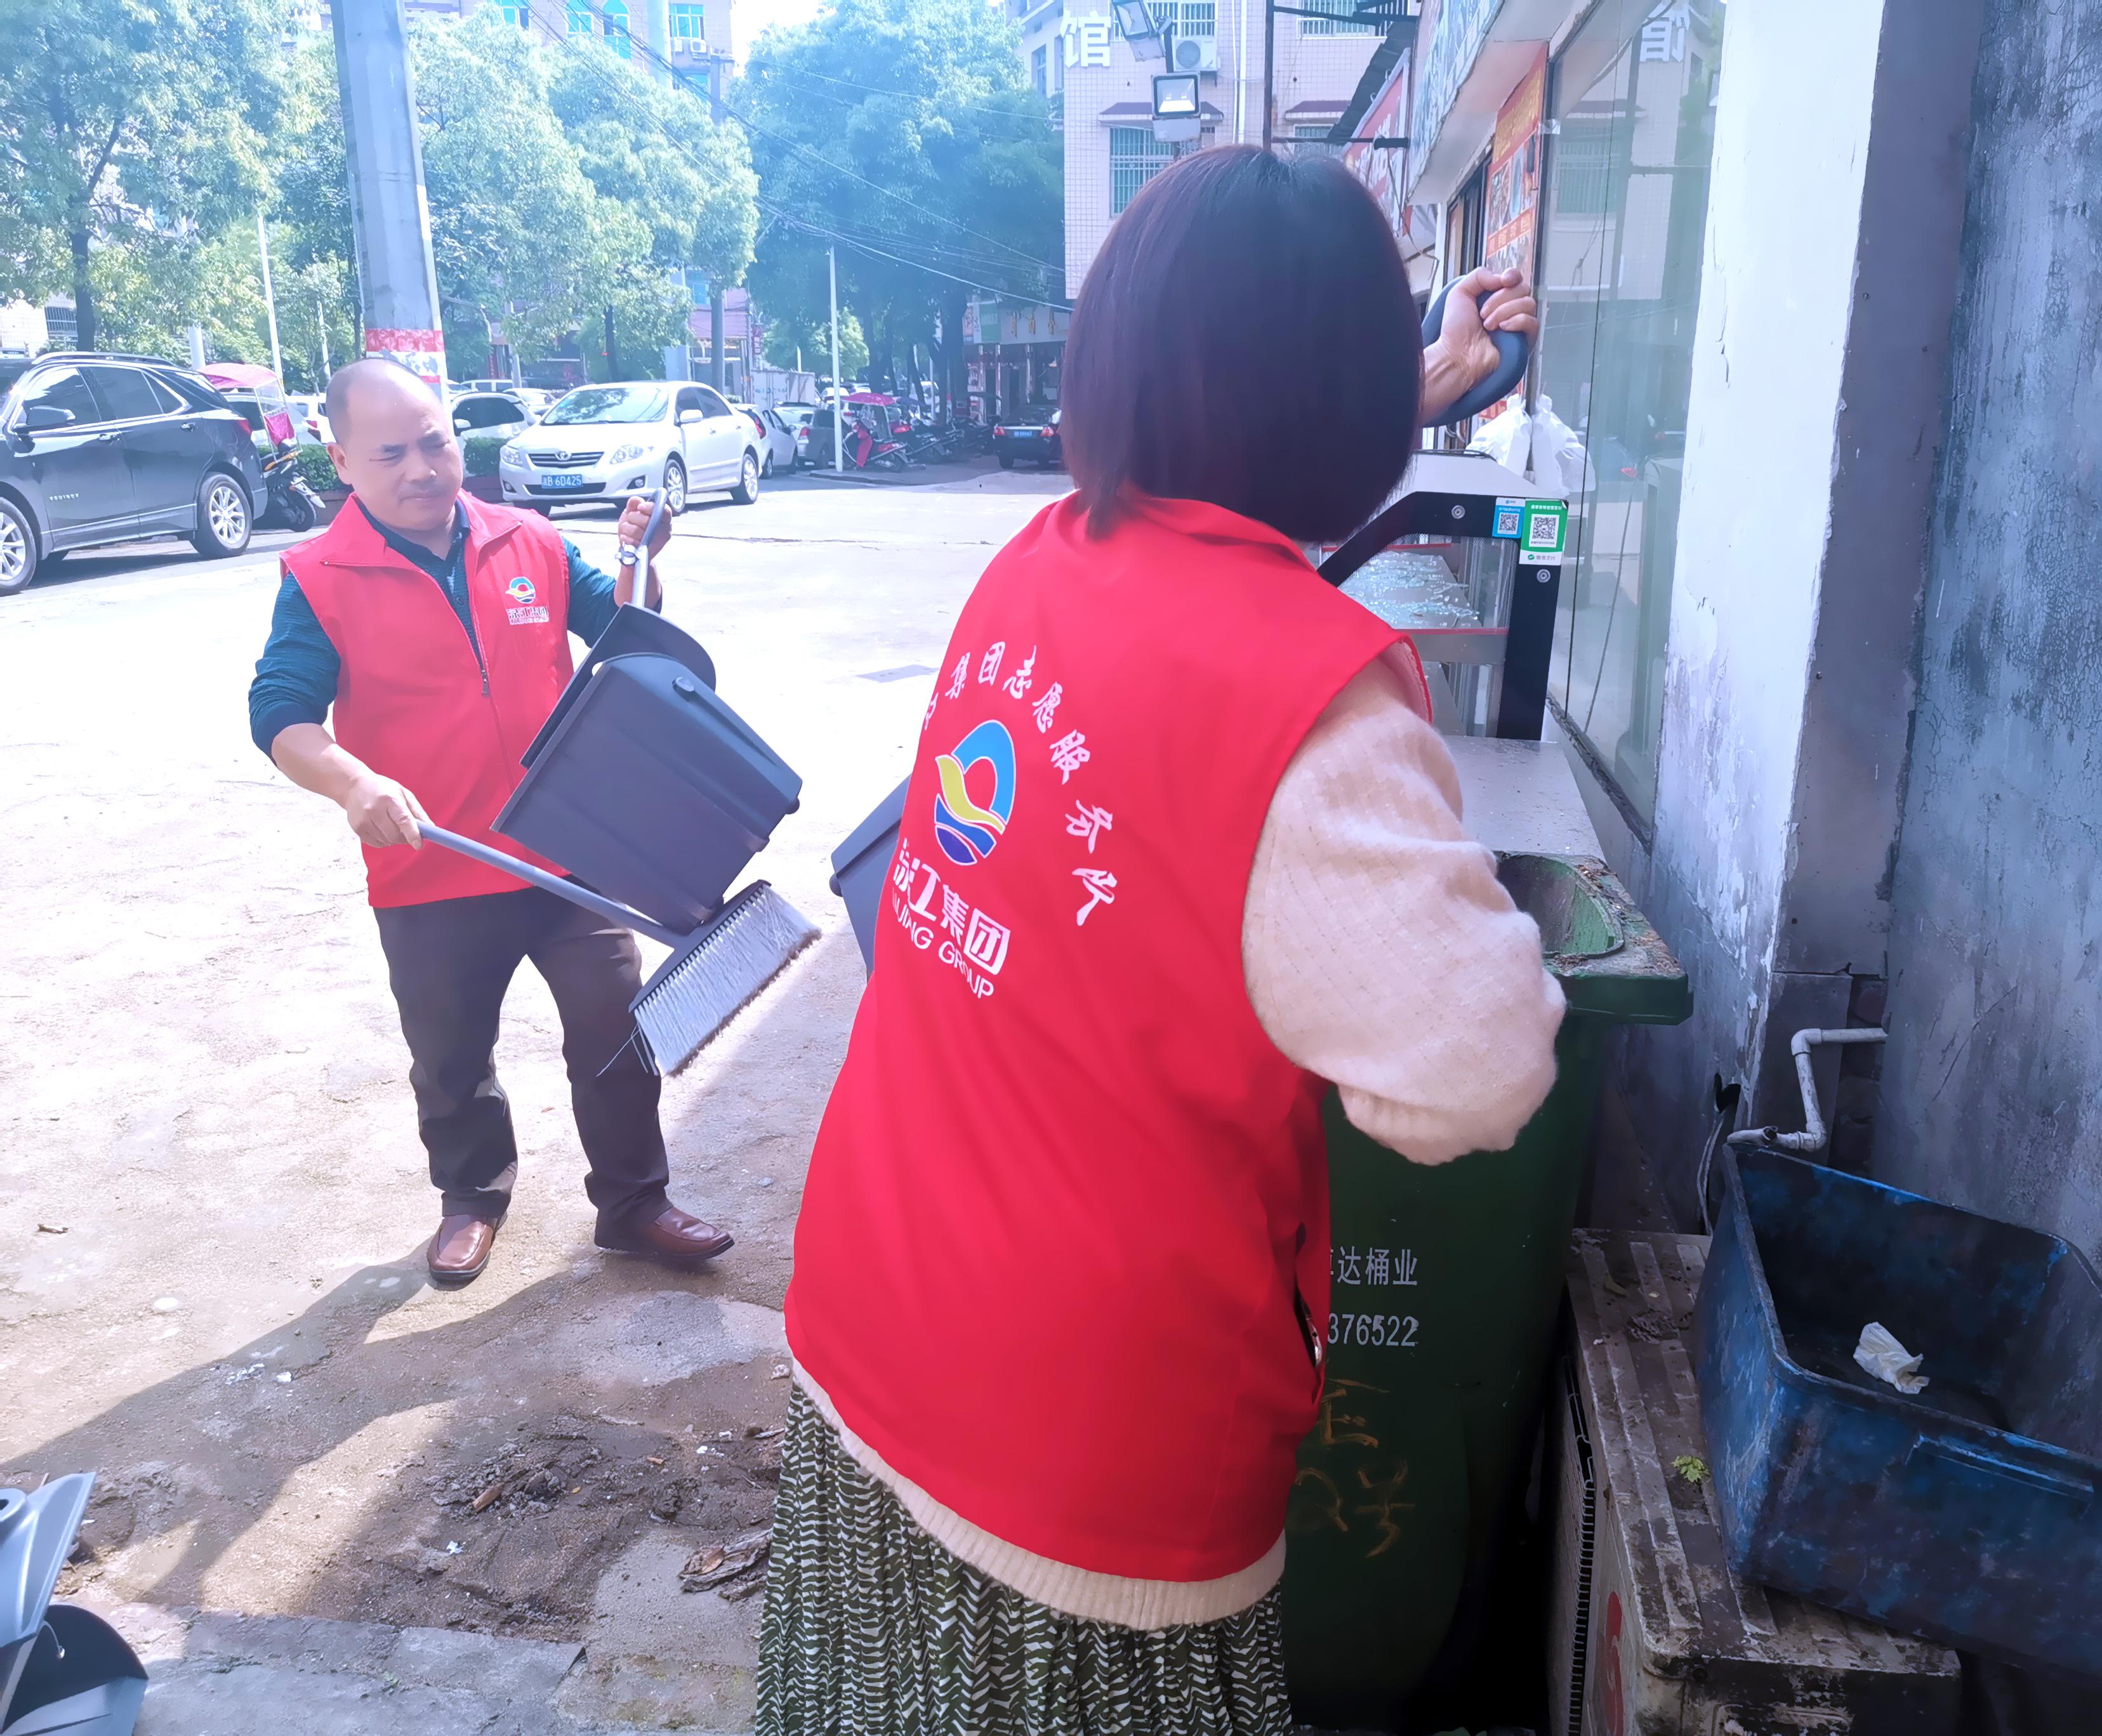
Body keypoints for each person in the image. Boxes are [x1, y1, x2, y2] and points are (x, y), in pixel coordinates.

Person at [757, 148, 1564, 1733]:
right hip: (1087, 1457)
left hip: (876, 1313)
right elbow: (1473, 1077)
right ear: (1352, 400)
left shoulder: (1035, 566)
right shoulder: (1316, 701)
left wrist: (1428, 377)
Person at [248, 359, 734, 1287]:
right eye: (390, 452)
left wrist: (643, 559)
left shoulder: (531, 540)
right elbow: (281, 714)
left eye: (435, 440)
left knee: (616, 1035)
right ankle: (473, 1198)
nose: (423, 466)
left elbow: (625, 629)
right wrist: (354, 784)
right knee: (451, 1058)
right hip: (431, 862)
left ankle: (634, 1206)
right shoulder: (319, 576)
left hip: (568, 850)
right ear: (342, 460)